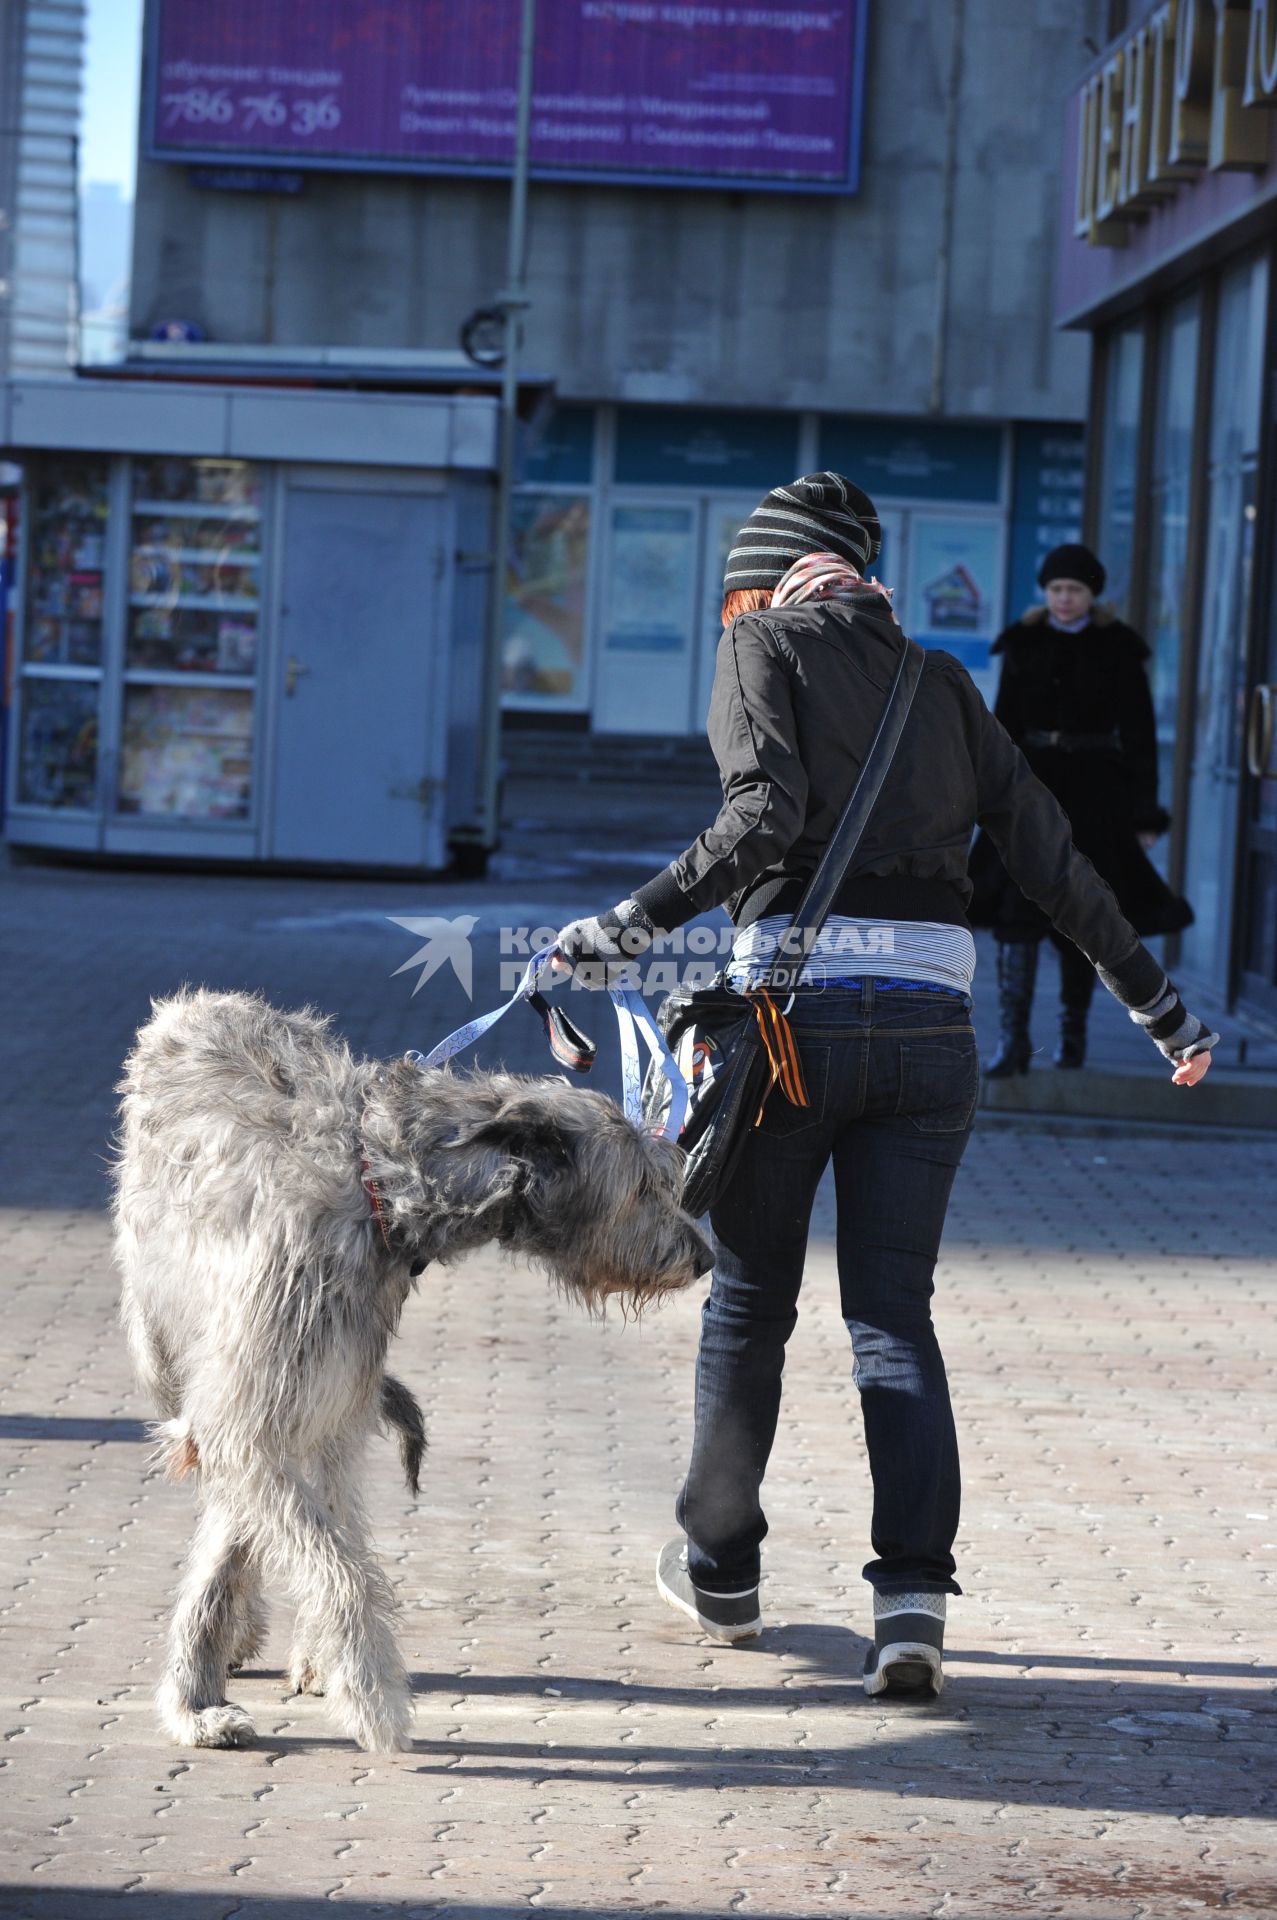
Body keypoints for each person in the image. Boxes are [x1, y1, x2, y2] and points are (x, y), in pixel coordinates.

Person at [553, 474, 1215, 1700]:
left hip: (787, 1038)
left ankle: (722, 1567)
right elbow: (1053, 861)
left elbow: (763, 814)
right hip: (926, 1038)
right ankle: (910, 1599)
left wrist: (624, 927)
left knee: (748, 1306)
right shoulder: (944, 682)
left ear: (776, 576)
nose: (732, 609)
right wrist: (1153, 1003)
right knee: (890, 1319)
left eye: (740, 588)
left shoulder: (760, 644)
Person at [969, 544, 1191, 1073]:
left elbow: (1138, 736)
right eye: (1056, 590)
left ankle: (1073, 1042)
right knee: (1016, 915)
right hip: (1030, 790)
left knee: (1084, 915)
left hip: (1097, 795)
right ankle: (1014, 1044)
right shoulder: (1023, 643)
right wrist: (990, 794)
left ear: (1092, 595)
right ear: (1044, 594)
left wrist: (1144, 815)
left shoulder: (1117, 648)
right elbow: (1002, 729)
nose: (1064, 599)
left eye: (1074, 590)